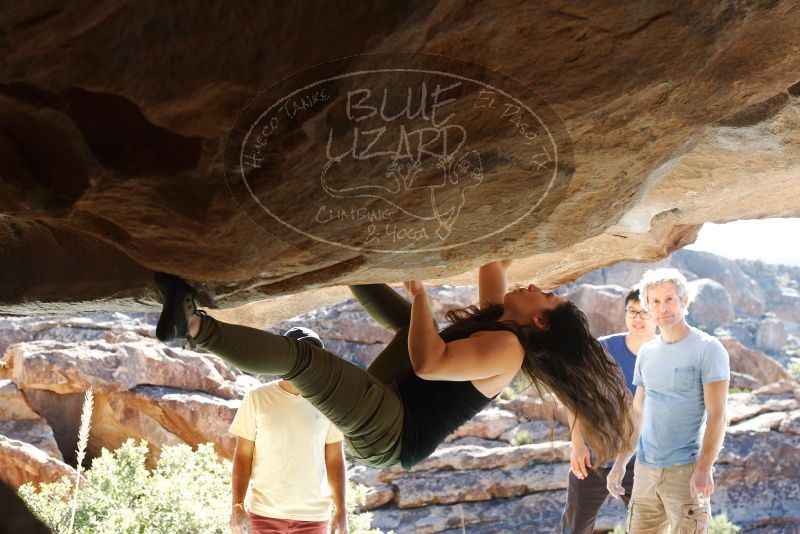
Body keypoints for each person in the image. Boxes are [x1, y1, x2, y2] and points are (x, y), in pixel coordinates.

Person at [153, 259, 631, 470]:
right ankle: (344, 264)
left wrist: (422, 294)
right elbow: (493, 268)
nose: (535, 287)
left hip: (393, 434)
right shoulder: (502, 318)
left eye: (543, 295)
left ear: (542, 322)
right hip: (395, 400)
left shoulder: (508, 349)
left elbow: (428, 362)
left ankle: (194, 328)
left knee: (305, 360)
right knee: (410, 324)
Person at [607, 268, 729, 533]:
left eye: (670, 299)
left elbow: (718, 415)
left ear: (685, 301)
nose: (663, 308)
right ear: (648, 307)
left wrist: (704, 468)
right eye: (655, 301)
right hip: (645, 473)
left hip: (685, 474)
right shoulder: (647, 352)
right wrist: (620, 463)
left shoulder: (708, 349)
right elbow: (637, 412)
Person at [229, 326, 347, 534]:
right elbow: (243, 456)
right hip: (263, 515)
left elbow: (335, 459)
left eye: (313, 355)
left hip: (313, 518)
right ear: (285, 358)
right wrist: (237, 506)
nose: (308, 361)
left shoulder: (330, 402)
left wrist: (342, 510)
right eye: (301, 354)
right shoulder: (257, 398)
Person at [561, 288, 657, 534]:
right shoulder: (602, 349)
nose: (637, 318)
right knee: (574, 528)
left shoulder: (666, 354)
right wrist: (577, 443)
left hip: (641, 462)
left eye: (644, 312)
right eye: (632, 312)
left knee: (651, 528)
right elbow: (574, 395)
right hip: (594, 455)